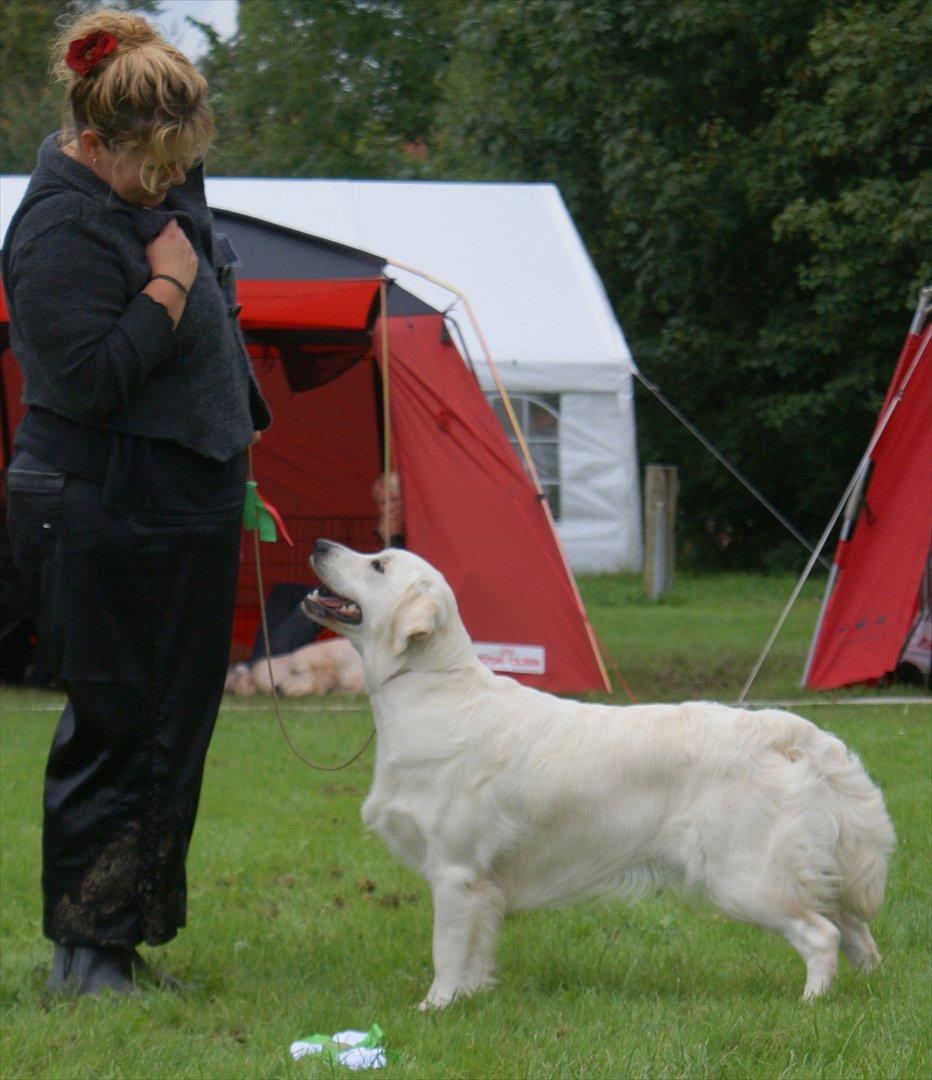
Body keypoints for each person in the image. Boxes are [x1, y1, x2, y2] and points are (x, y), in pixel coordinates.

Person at [2, 10, 270, 995]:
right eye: (151, 164)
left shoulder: (153, 181)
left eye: (179, 163)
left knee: (169, 723)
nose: (168, 181)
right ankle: (82, 952)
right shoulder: (56, 230)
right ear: (93, 142)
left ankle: (125, 936)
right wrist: (164, 288)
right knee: (116, 722)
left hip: (181, 490)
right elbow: (86, 379)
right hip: (100, 498)